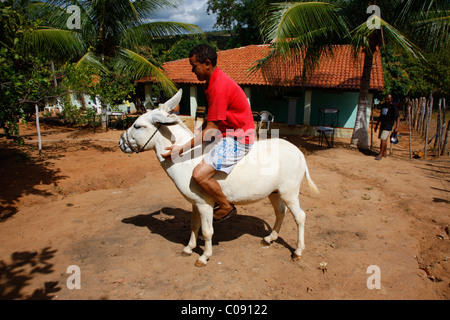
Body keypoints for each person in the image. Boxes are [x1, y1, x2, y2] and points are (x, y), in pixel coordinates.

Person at [161, 44, 255, 222]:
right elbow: (210, 119)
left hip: (238, 138)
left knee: (199, 174)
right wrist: (197, 133)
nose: (192, 70)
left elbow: (211, 130)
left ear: (207, 63)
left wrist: (180, 149)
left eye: (194, 65)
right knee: (198, 149)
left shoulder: (219, 86)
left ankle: (225, 206)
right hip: (225, 131)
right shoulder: (210, 83)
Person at [374, 94, 400, 160]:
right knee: (383, 139)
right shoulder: (383, 106)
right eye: (386, 99)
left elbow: (397, 117)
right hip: (383, 124)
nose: (386, 100)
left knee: (383, 138)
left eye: (388, 99)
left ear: (391, 99)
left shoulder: (393, 107)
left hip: (389, 125)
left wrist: (397, 127)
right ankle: (384, 152)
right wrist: (377, 125)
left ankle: (380, 153)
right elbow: (381, 116)